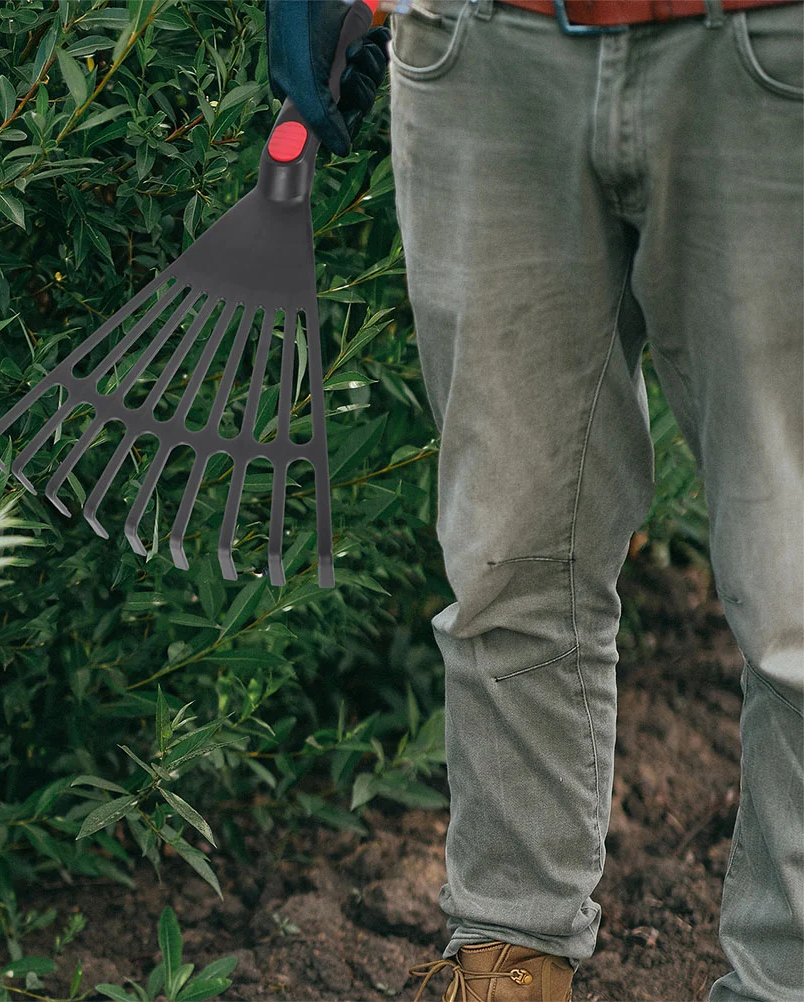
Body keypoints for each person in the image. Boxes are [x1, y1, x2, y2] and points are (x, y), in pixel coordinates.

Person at [265, 0, 804, 999]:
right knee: (508, 557)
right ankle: (509, 966)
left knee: (796, 601)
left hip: (763, 49)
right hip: (484, 46)